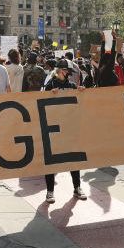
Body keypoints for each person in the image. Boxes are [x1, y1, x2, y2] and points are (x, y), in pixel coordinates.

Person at [41, 59, 87, 203]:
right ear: (61, 70)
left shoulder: (72, 85)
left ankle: (77, 187)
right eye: (67, 71)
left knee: (74, 158)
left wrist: (81, 91)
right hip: (53, 128)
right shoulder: (50, 84)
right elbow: (40, 101)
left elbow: (79, 103)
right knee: (51, 160)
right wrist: (49, 94)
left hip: (69, 127)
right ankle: (50, 191)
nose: (69, 74)